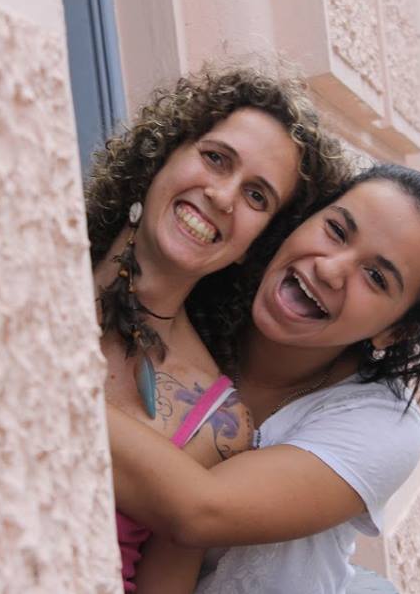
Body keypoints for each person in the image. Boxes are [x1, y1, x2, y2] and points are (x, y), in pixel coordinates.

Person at [106, 164, 420, 593]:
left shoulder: (383, 427)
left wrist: (63, 390)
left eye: (376, 277)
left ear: (396, 331)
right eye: (336, 230)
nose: (331, 269)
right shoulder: (190, 307)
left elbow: (199, 512)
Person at [85, 65, 347, 591]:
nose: (224, 196)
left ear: (257, 244)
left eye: (257, 196)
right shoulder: (24, 268)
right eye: (216, 158)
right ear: (161, 154)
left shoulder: (217, 424)